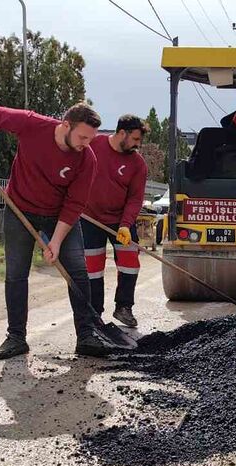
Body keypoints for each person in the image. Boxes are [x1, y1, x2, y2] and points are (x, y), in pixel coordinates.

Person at [0, 103, 110, 360]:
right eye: (82, 137)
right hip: (19, 209)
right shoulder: (32, 125)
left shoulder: (87, 159)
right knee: (16, 274)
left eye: (91, 139)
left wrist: (55, 241)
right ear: (66, 125)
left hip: (59, 216)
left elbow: (75, 203)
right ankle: (16, 338)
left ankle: (86, 335)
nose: (87, 143)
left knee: (77, 270)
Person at [82, 115, 149, 328]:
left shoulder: (137, 164)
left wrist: (125, 224)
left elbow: (135, 198)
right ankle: (95, 313)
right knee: (93, 268)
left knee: (130, 263)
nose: (138, 145)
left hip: (120, 221)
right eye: (136, 139)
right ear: (122, 133)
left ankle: (123, 307)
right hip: (89, 218)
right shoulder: (93, 145)